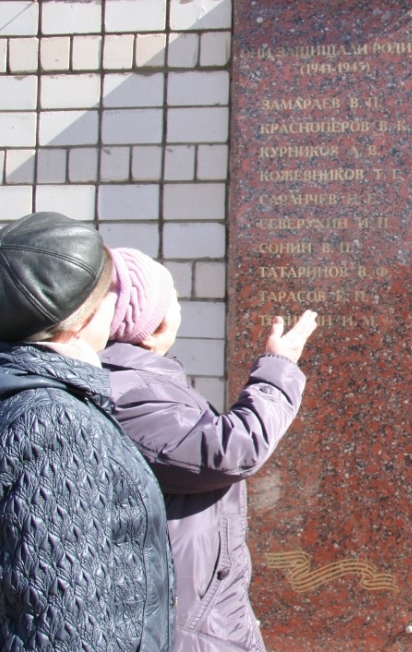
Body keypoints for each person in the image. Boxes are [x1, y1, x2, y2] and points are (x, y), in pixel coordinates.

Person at [0, 212, 174, 650]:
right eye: (112, 292)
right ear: (80, 319)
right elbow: (62, 628)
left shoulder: (6, 390)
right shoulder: (51, 425)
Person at [98, 248, 317, 652]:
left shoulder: (137, 382)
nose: (181, 307)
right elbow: (231, 450)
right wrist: (278, 368)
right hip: (183, 623)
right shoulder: (127, 392)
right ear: (149, 327)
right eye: (174, 299)